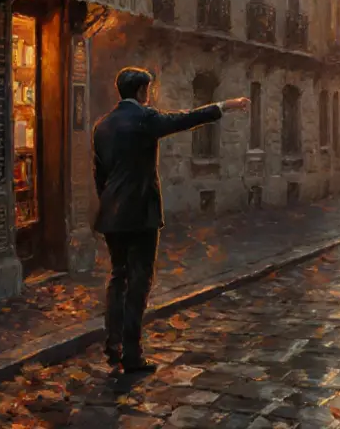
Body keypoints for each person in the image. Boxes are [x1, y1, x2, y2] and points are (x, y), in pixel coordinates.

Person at [92, 67, 249, 373]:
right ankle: (132, 354)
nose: (149, 94)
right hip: (140, 214)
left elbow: (100, 175)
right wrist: (225, 105)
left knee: (118, 277)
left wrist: (109, 204)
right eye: (148, 89)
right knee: (139, 282)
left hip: (111, 215)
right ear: (141, 91)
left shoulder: (102, 126)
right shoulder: (145, 118)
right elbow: (185, 119)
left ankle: (113, 344)